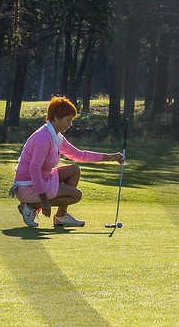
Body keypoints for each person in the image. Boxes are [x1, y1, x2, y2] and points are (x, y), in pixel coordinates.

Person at [12, 95, 124, 229]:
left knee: (74, 170)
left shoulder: (57, 137)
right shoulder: (43, 137)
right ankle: (30, 206)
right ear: (56, 118)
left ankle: (61, 216)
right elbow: (34, 170)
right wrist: (44, 200)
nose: (70, 124)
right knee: (76, 195)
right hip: (28, 187)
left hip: (43, 179)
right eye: (68, 120)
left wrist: (110, 157)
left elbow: (79, 155)